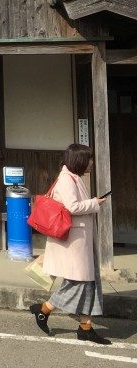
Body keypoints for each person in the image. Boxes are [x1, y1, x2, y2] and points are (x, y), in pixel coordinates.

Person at [28, 143, 110, 344]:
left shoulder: (73, 178)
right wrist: (94, 203)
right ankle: (44, 309)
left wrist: (92, 202)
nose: (91, 163)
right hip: (73, 241)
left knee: (89, 283)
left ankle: (85, 327)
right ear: (79, 160)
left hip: (79, 240)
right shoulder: (66, 180)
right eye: (88, 159)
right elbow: (72, 206)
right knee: (81, 283)